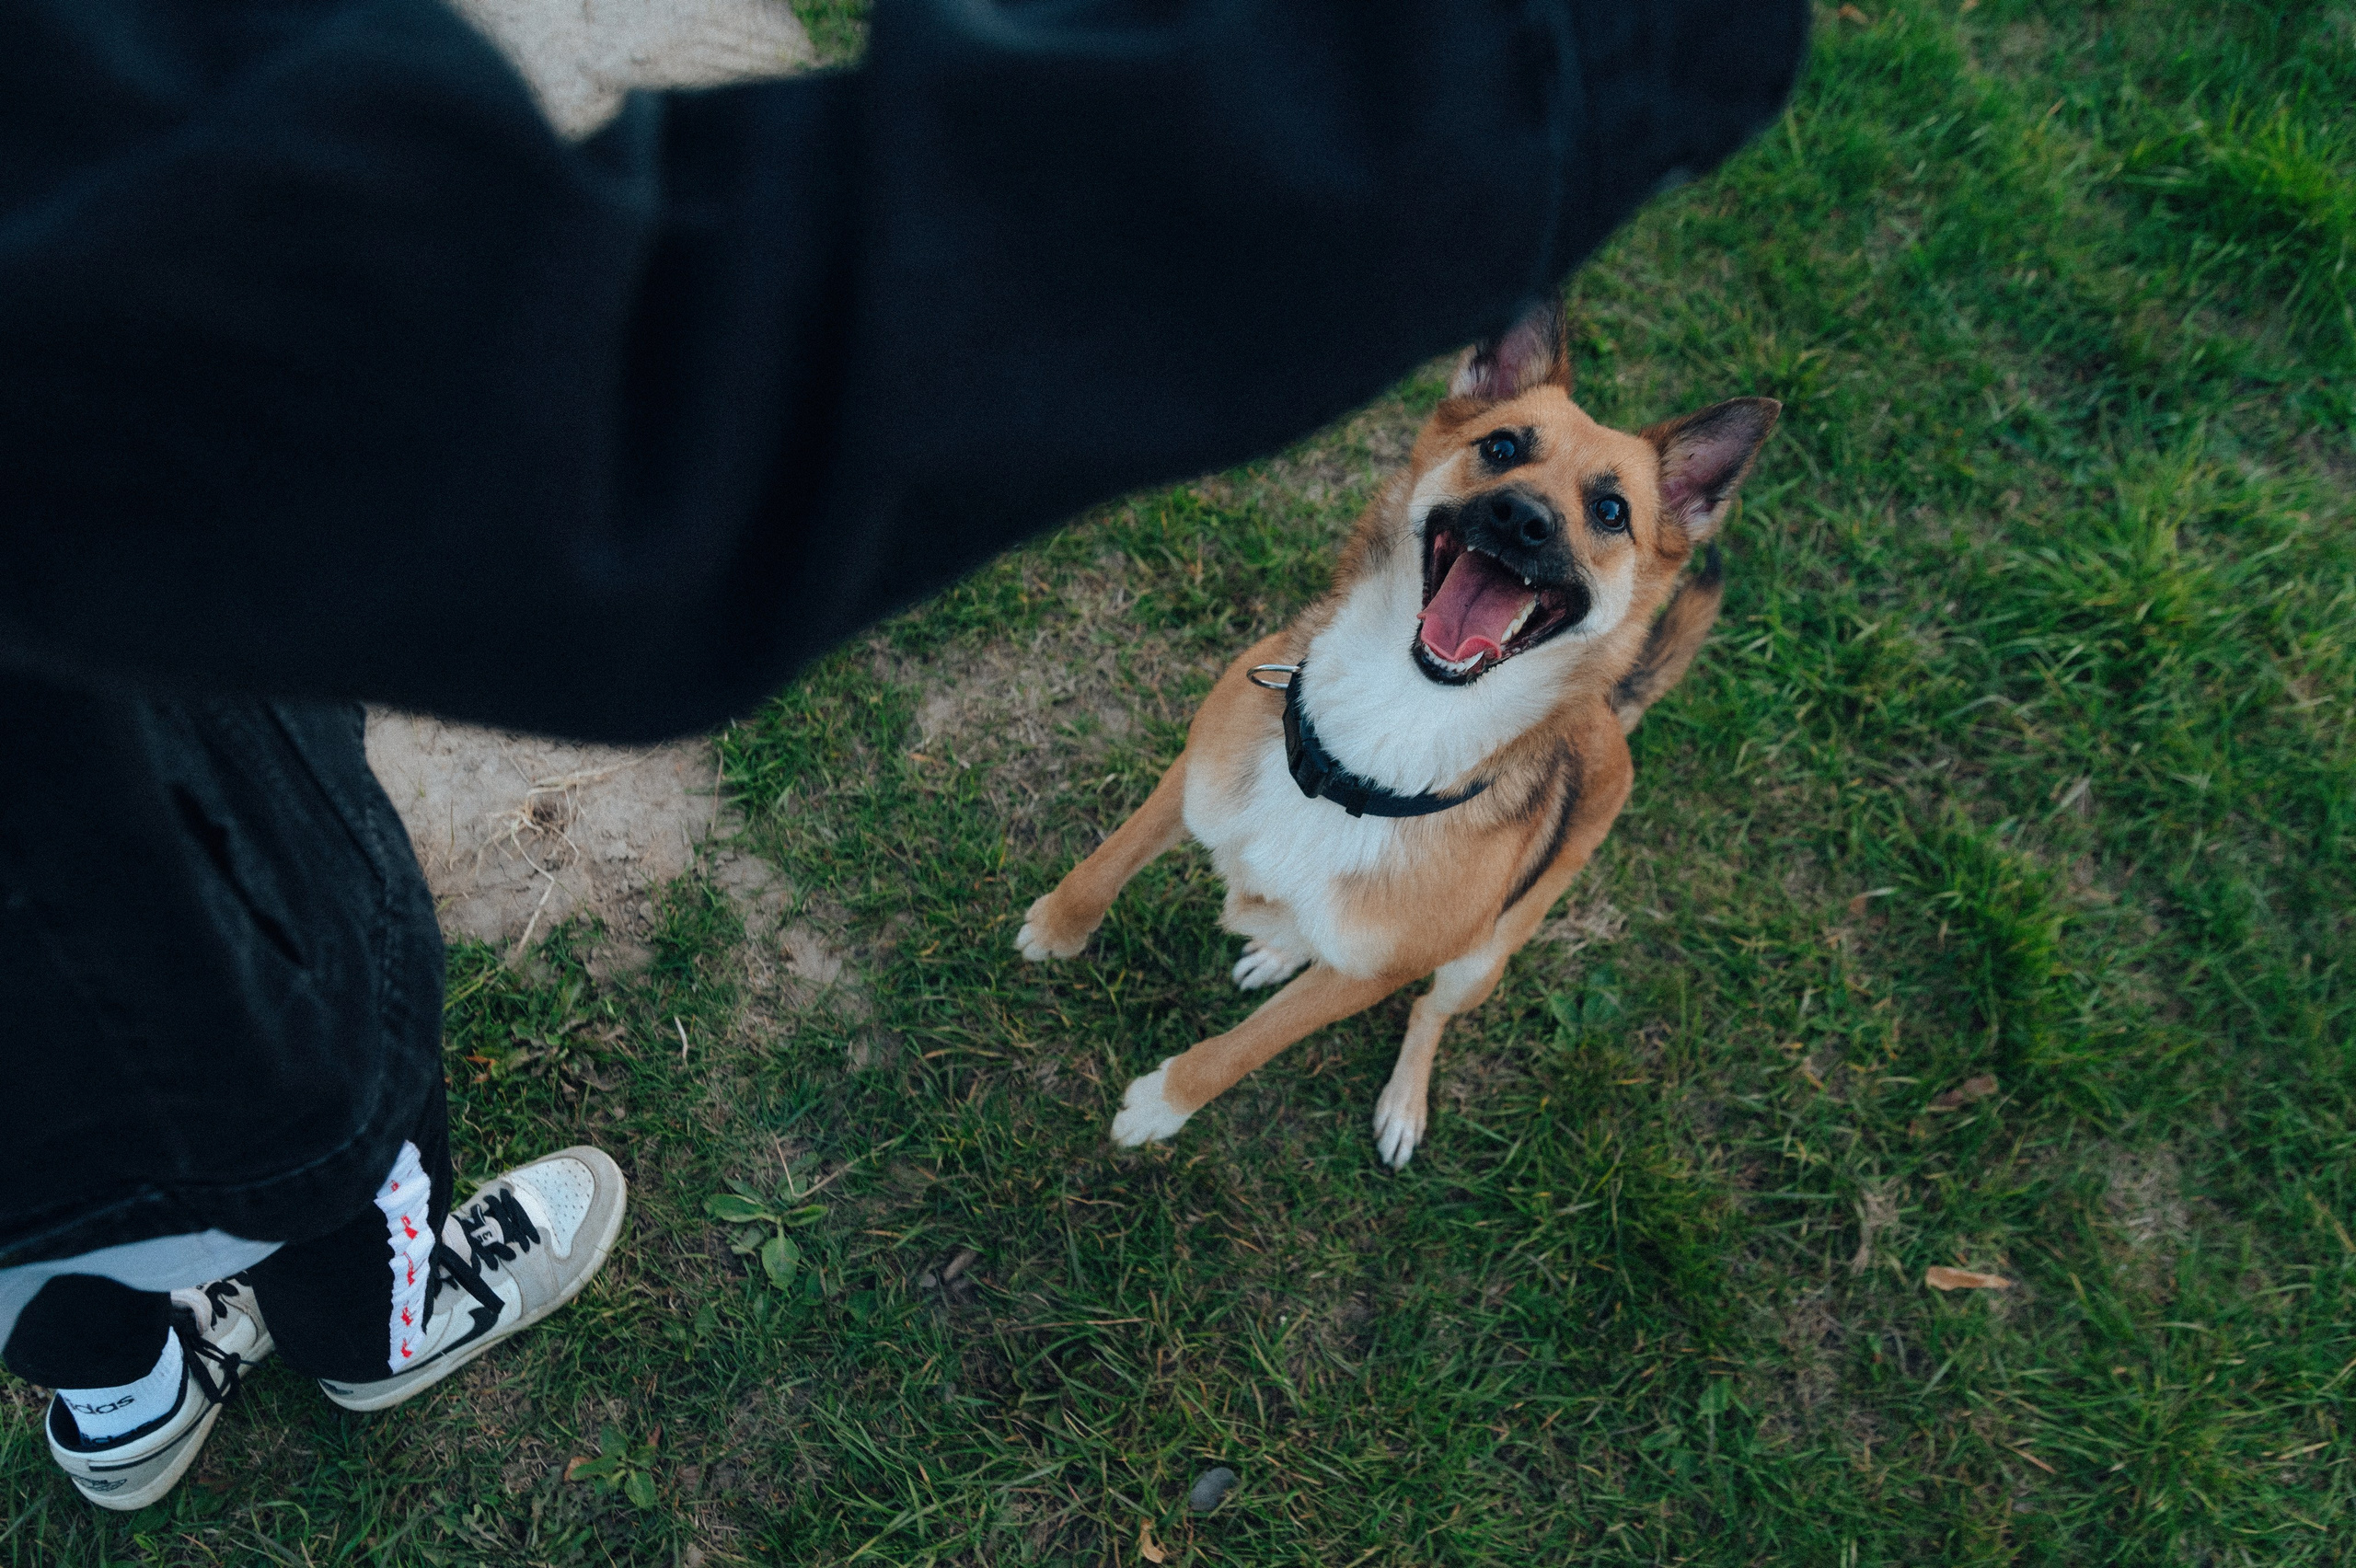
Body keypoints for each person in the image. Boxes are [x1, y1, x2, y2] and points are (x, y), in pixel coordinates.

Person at [0, 0, 1808, 1511]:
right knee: (270, 1063)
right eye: (1504, 469)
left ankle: (111, 1393)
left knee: (61, 1164)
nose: (1527, 517)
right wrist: (1535, 69)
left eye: (1595, 515)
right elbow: (597, 417)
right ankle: (366, 1323)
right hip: (126, 895)